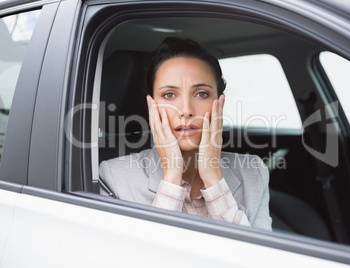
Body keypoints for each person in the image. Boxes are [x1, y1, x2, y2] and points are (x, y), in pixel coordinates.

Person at [99, 37, 272, 230]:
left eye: (201, 94)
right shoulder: (114, 178)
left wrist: (214, 179)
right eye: (169, 95)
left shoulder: (253, 172)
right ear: (151, 106)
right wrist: (172, 177)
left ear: (220, 103)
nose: (186, 110)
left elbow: (257, 259)